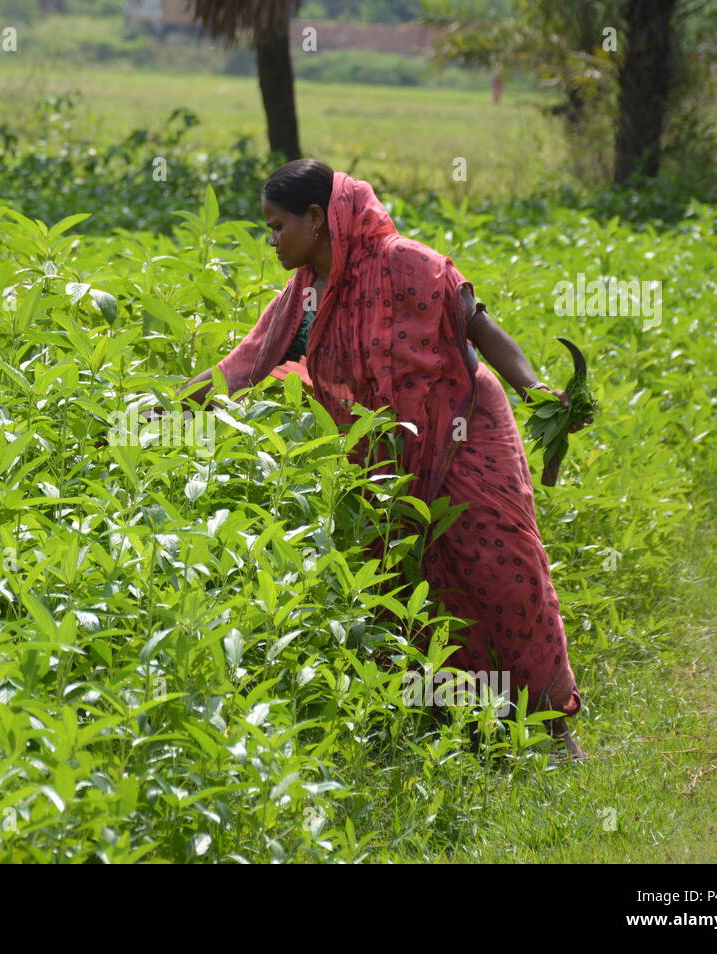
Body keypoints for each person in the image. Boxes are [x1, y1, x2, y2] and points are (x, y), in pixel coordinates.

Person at [174, 159, 593, 761]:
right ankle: (466, 729)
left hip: (466, 431)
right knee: (414, 581)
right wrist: (156, 416)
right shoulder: (301, 301)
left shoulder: (409, 263)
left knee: (503, 570)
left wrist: (534, 389)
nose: (271, 241)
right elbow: (240, 369)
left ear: (316, 219)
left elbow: (482, 330)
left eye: (277, 227)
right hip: (387, 459)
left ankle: (556, 733)